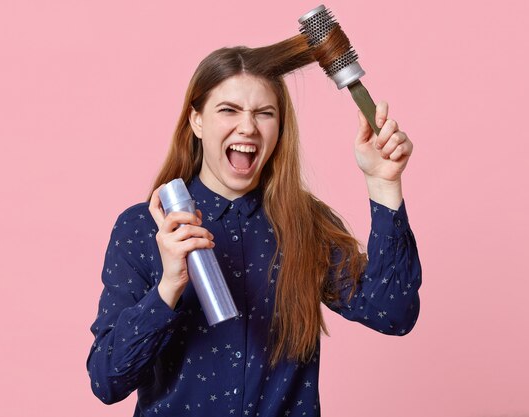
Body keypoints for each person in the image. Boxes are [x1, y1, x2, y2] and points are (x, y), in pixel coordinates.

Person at [87, 35, 422, 417]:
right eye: (228, 110)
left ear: (280, 128)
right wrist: (168, 288)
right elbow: (106, 381)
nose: (247, 127)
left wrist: (384, 184)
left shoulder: (305, 223)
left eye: (264, 113)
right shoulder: (144, 228)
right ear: (196, 120)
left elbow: (393, 313)